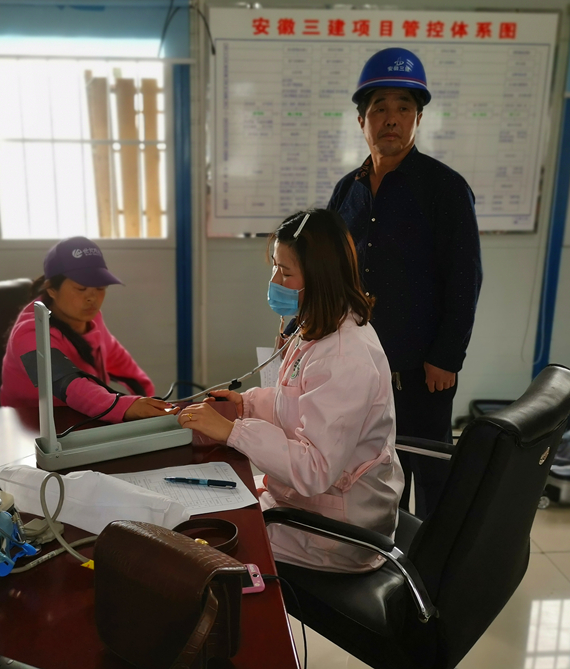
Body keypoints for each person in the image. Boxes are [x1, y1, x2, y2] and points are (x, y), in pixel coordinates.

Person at [177, 209, 403, 573]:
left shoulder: (344, 357)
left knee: (205, 539)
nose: (275, 280)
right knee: (204, 506)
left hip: (336, 531)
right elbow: (299, 403)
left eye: (285, 272)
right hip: (309, 503)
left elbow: (314, 470)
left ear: (320, 277)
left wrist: (235, 432)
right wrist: (247, 405)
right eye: (274, 267)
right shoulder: (320, 327)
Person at [327, 47, 482, 519]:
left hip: (423, 369)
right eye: (379, 108)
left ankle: (434, 561)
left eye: (403, 108)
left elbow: (465, 278)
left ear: (418, 118)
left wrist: (446, 357)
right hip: (358, 364)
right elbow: (329, 270)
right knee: (370, 470)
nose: (391, 118)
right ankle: (381, 552)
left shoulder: (445, 188)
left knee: (429, 471)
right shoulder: (347, 190)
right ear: (362, 120)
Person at [0, 236, 177, 422]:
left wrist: (148, 399)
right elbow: (67, 385)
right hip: (31, 428)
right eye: (81, 288)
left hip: (82, 420)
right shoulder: (30, 334)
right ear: (52, 289)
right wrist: (125, 406)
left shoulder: (91, 319)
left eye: (100, 288)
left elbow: (118, 359)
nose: (92, 298)